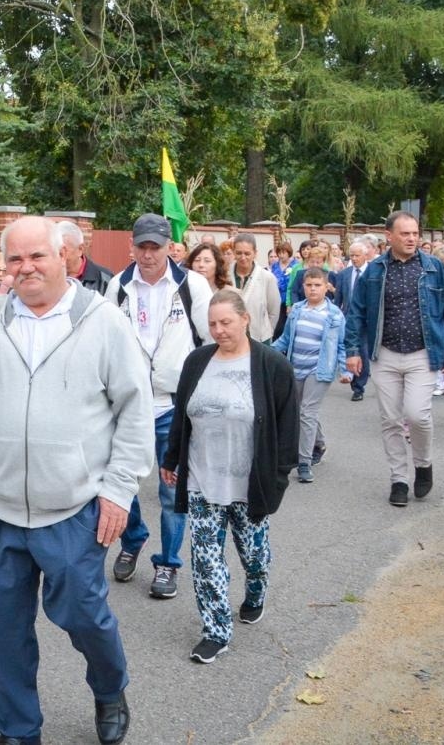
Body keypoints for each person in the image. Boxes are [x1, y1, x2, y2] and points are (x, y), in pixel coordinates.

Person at [0, 215, 148, 745]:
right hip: (0, 509)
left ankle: (109, 687)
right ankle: (18, 729)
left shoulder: (102, 320)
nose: (26, 267)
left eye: (38, 256)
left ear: (66, 258)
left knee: (85, 616)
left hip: (73, 507)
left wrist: (118, 489)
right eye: (16, 258)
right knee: (6, 632)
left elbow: (134, 409)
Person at [163, 289, 296, 664]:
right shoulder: (197, 362)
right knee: (206, 559)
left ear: (245, 319)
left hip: (249, 483)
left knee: (253, 555)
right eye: (212, 324)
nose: (219, 330)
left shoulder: (272, 365)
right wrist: (172, 458)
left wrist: (279, 479)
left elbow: (287, 430)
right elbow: (181, 416)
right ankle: (216, 631)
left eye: (226, 322)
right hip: (203, 480)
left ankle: (255, 592)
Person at [107, 213, 212, 598]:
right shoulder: (118, 286)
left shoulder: (192, 286)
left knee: (171, 490)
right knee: (124, 481)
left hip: (173, 404)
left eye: (156, 247)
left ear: (170, 247)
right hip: (130, 405)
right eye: (142, 247)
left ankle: (168, 563)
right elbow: (107, 345)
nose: (149, 255)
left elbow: (210, 341)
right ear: (131, 247)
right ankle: (132, 539)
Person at [343, 211, 444, 508]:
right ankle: (399, 479)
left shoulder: (434, 268)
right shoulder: (376, 271)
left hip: (422, 353)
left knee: (418, 415)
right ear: (389, 236)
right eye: (404, 233)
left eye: (415, 233)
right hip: (386, 354)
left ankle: (423, 464)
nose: (411, 238)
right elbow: (356, 311)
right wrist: (352, 350)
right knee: (391, 419)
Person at [272, 266, 343, 482]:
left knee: (307, 412)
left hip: (319, 369)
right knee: (302, 411)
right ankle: (319, 442)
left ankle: (303, 462)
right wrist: (263, 352)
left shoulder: (334, 315)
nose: (313, 289)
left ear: (326, 286)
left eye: (317, 285)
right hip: (296, 368)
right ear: (303, 286)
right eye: (309, 285)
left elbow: (341, 344)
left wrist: (346, 370)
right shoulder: (297, 311)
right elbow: (285, 340)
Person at [332, 238, 376, 400]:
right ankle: (352, 378)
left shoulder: (373, 272)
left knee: (362, 351)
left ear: (365, 255)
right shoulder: (344, 274)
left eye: (357, 255)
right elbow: (338, 298)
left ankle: (359, 386)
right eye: (352, 256)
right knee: (349, 349)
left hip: (366, 320)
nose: (354, 259)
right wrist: (337, 313)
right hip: (348, 317)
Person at [228, 233, 282, 342]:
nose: (243, 257)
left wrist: (267, 332)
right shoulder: (224, 276)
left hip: (260, 338)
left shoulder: (267, 278)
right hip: (230, 337)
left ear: (255, 253)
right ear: (234, 252)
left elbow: (274, 311)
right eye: (239, 253)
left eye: (247, 253)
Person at [59, 220, 114, 295]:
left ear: (80, 249)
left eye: (63, 251)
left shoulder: (105, 279)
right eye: (53, 250)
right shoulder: (47, 276)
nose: (57, 256)